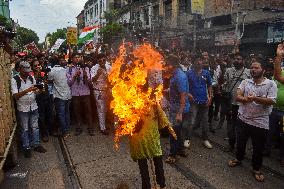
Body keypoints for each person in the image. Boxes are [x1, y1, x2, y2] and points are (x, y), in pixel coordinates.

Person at [228, 58, 277, 182]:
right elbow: (237, 96)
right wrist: (244, 99)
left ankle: (256, 168)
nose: (253, 70)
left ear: (263, 70)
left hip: (260, 123)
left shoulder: (271, 84)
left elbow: (271, 100)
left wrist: (255, 98)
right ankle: (238, 158)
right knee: (240, 142)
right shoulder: (246, 82)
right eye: (252, 67)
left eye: (256, 68)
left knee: (258, 147)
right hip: (243, 119)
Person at [11, 61, 47, 158]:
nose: (27, 73)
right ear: (19, 69)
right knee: (25, 129)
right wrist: (27, 90)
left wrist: (39, 91)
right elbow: (15, 96)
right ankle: (26, 147)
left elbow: (35, 92)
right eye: (25, 71)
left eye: (28, 71)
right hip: (23, 108)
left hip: (33, 106)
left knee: (35, 127)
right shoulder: (15, 80)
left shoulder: (31, 77)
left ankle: (36, 144)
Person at [219, 53, 250, 151]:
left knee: (241, 127)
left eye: (240, 59)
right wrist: (223, 88)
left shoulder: (248, 72)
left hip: (242, 104)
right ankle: (231, 144)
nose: (237, 60)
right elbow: (223, 83)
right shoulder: (228, 70)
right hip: (230, 103)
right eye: (236, 59)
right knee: (230, 125)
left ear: (243, 61)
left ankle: (240, 147)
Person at [164, 55, 190, 163]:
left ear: (173, 65)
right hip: (176, 108)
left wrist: (180, 113)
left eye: (167, 64)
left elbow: (183, 95)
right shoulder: (175, 74)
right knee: (178, 132)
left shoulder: (179, 76)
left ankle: (173, 155)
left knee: (173, 131)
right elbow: (179, 89)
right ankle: (181, 150)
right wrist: (169, 90)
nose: (166, 66)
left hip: (178, 110)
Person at [187, 56, 213, 149]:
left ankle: (205, 139)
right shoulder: (189, 73)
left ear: (203, 62)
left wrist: (210, 97)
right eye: (197, 60)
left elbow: (209, 86)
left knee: (205, 121)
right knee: (192, 121)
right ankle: (187, 138)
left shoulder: (206, 73)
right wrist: (188, 94)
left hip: (204, 101)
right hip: (193, 101)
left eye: (200, 60)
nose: (199, 62)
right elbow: (185, 86)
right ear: (193, 62)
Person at [67, 54, 93, 136]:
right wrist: (75, 76)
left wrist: (85, 76)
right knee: (77, 111)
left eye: (79, 57)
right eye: (76, 57)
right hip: (75, 93)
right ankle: (78, 128)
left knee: (88, 111)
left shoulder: (86, 68)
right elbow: (69, 84)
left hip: (85, 92)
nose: (77, 59)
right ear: (72, 59)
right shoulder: (69, 69)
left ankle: (90, 128)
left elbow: (90, 83)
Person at [48, 56, 72, 138]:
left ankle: (64, 132)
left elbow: (49, 80)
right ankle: (67, 129)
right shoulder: (65, 70)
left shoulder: (52, 71)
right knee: (67, 112)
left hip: (59, 96)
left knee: (61, 114)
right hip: (68, 95)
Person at [31, 59, 53, 142]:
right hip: (38, 99)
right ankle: (44, 134)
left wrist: (45, 83)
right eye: (35, 65)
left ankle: (51, 131)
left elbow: (47, 83)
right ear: (32, 67)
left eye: (38, 65)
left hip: (47, 96)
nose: (37, 67)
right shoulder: (31, 76)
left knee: (50, 115)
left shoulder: (43, 73)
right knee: (41, 117)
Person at [91, 54, 111, 135]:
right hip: (98, 91)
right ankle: (102, 128)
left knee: (105, 109)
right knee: (101, 109)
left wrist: (106, 74)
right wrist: (98, 74)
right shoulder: (94, 68)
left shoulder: (109, 66)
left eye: (104, 60)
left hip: (107, 90)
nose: (102, 62)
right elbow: (92, 80)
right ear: (97, 61)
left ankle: (104, 125)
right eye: (100, 61)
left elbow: (112, 79)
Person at [272, 43, 284, 166]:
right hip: (276, 109)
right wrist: (279, 57)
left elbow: (277, 76)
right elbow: (277, 76)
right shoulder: (281, 71)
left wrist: (279, 56)